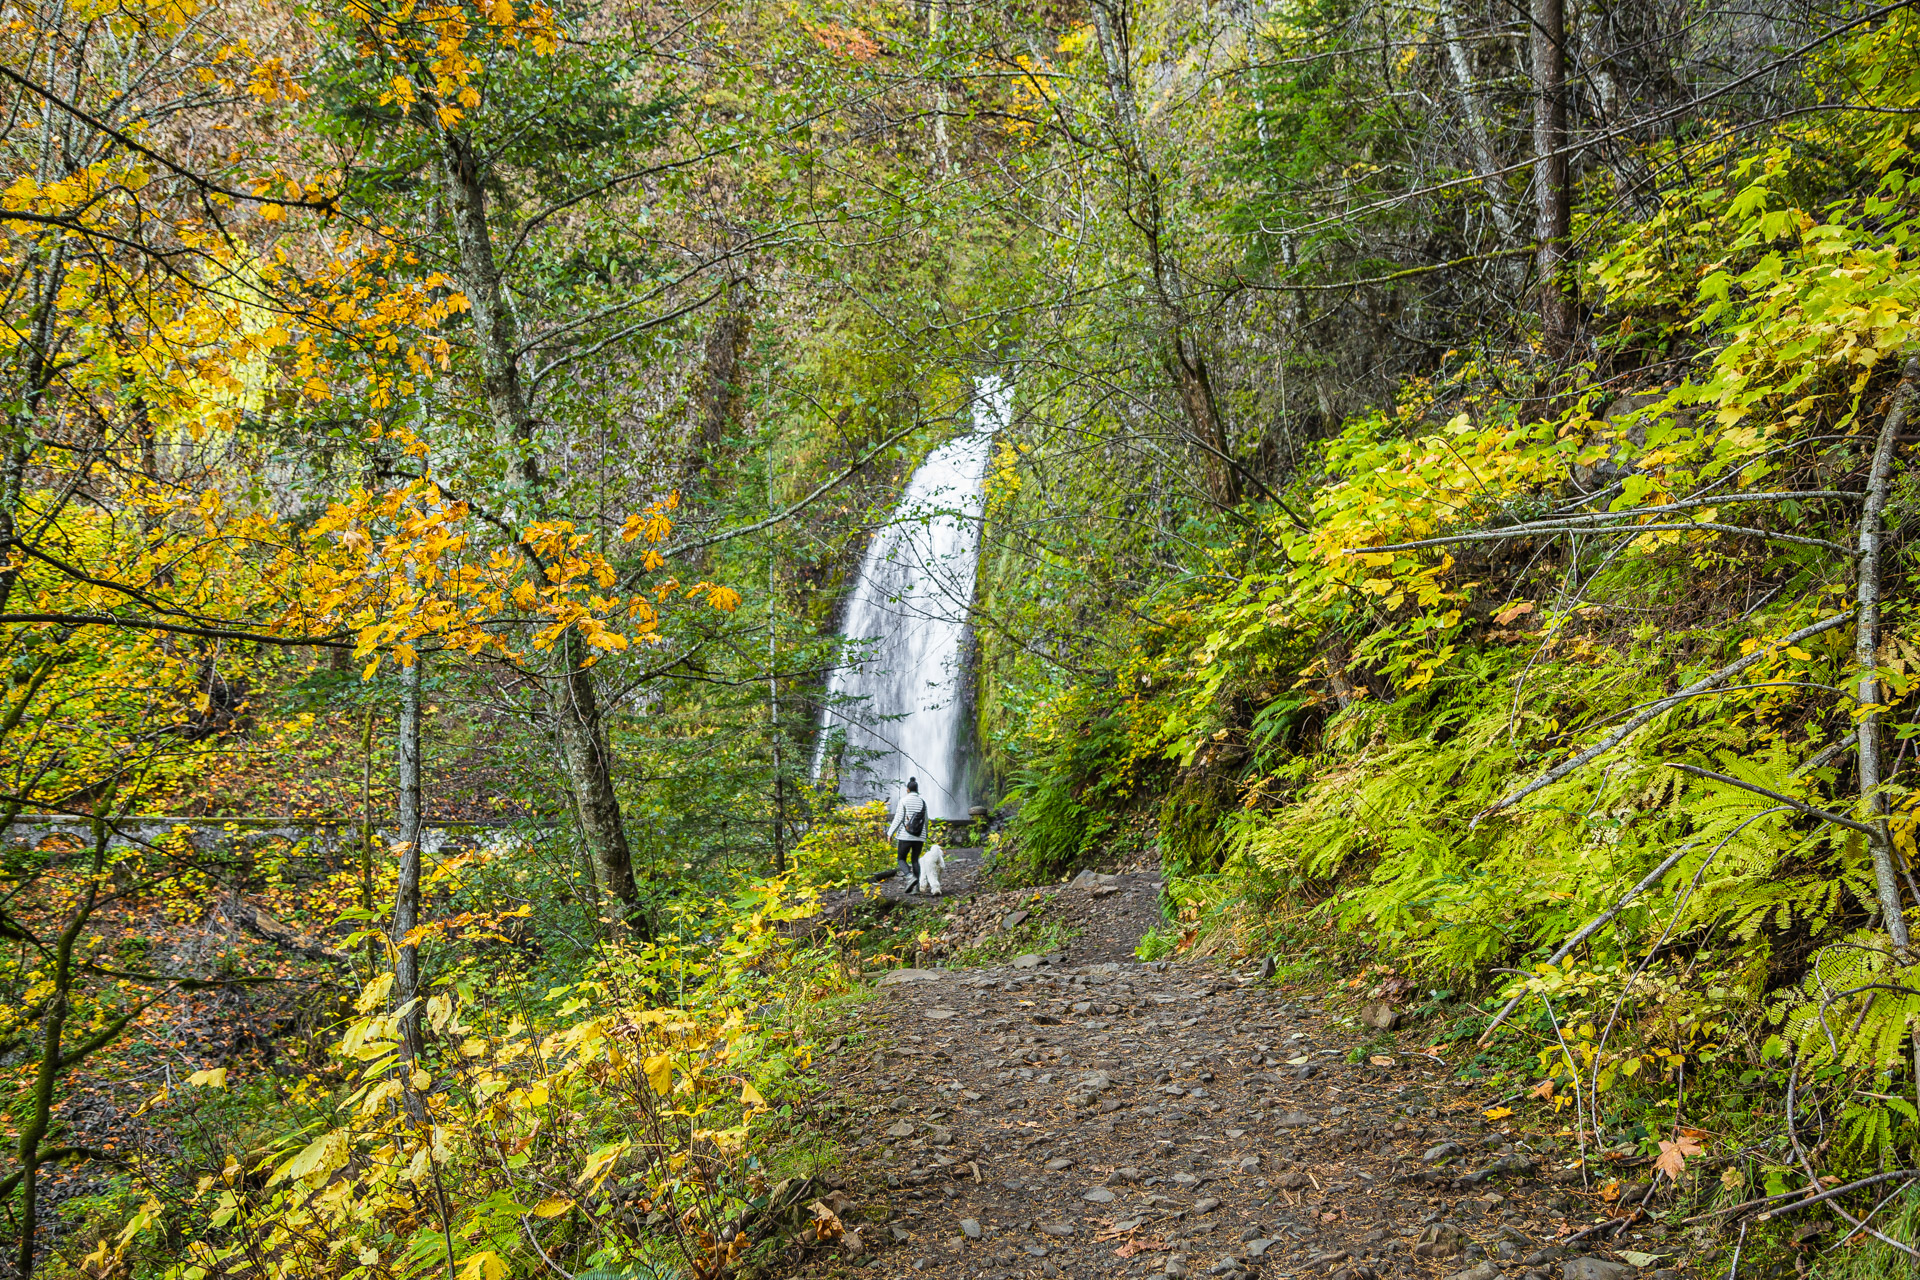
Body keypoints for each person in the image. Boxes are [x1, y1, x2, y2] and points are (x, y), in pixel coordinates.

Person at [886, 778, 929, 883]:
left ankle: (910, 876)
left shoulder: (904, 800)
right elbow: (926, 820)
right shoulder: (923, 802)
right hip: (920, 836)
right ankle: (916, 888)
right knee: (915, 860)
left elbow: (899, 818)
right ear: (917, 790)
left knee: (901, 859)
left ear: (908, 790)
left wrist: (890, 833)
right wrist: (925, 834)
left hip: (905, 835)